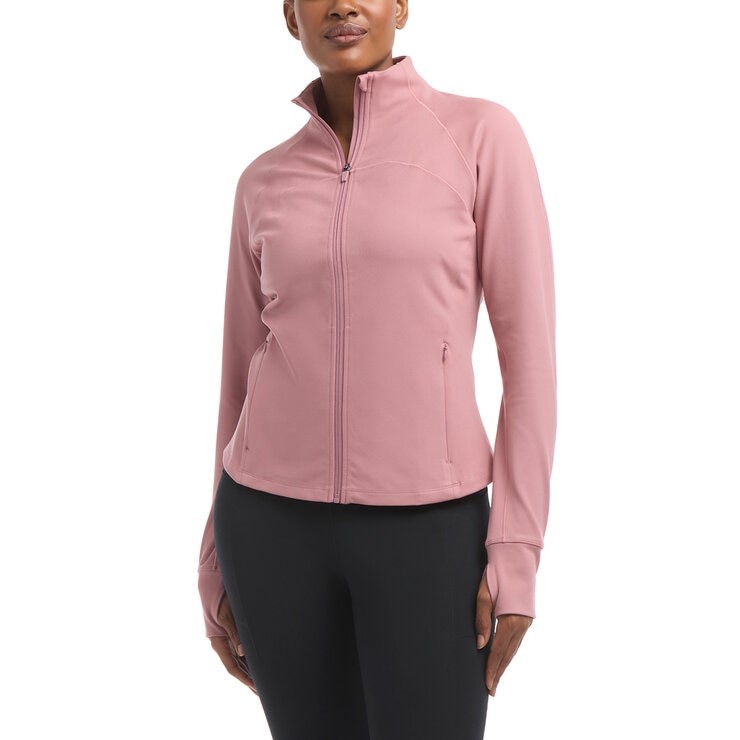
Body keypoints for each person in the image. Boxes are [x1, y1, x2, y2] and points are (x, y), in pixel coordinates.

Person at [197, 1, 557, 738]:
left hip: (429, 532)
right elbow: (238, 372)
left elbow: (530, 366)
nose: (342, 4)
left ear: (400, 6)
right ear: (290, 16)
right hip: (267, 528)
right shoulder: (262, 181)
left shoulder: (479, 136)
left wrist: (516, 548)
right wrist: (212, 554)